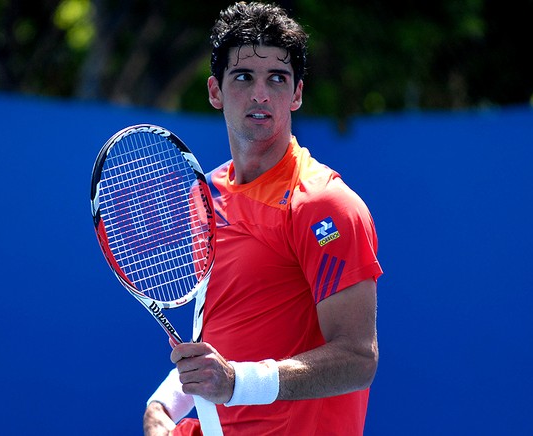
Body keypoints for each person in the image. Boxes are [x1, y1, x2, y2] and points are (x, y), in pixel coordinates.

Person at [143, 2, 382, 435]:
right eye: (243, 77)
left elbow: (358, 358)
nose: (260, 94)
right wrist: (163, 405)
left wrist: (236, 383)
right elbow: (221, 346)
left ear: (297, 93)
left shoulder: (324, 206)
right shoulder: (207, 193)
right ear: (215, 92)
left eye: (277, 78)